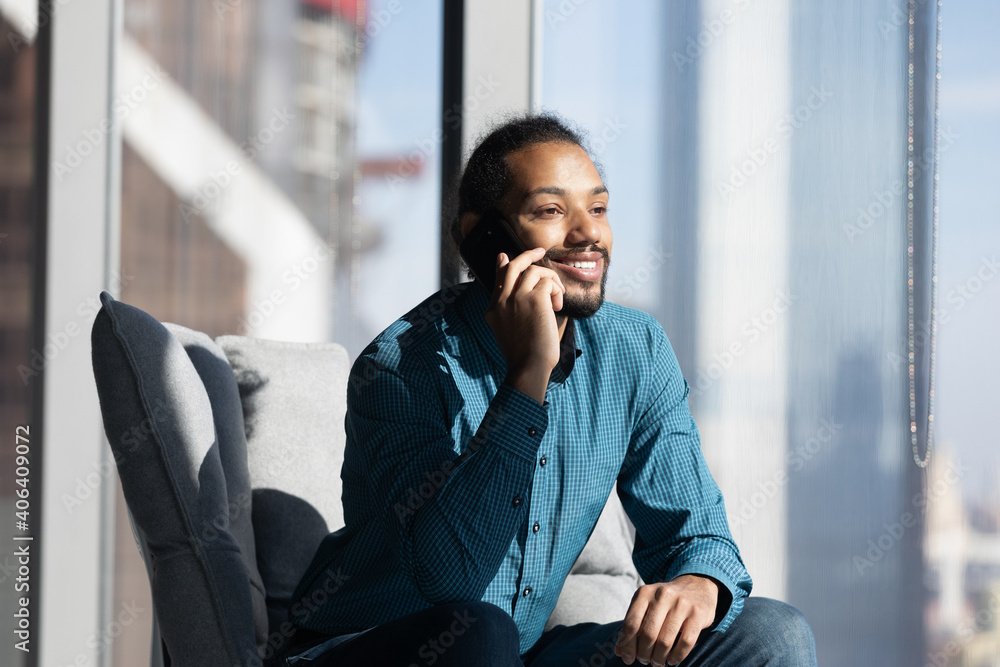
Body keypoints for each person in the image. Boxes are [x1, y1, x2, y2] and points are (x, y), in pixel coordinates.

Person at [281, 114, 817, 666]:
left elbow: (693, 531)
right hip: (369, 646)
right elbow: (449, 576)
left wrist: (698, 584)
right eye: (551, 211)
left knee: (774, 634)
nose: (588, 233)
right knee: (477, 631)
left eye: (599, 208)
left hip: (517, 653)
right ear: (483, 237)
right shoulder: (401, 365)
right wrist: (528, 376)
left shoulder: (637, 349)